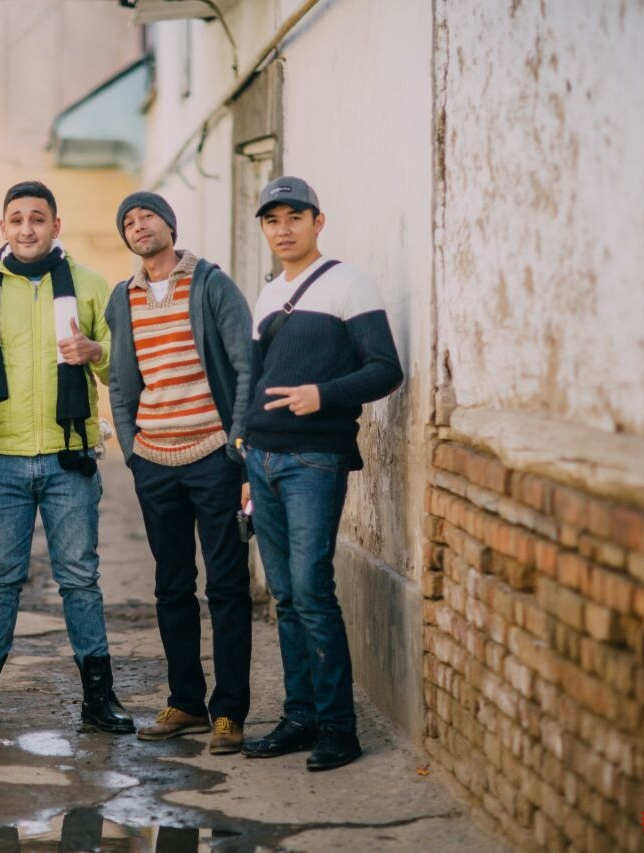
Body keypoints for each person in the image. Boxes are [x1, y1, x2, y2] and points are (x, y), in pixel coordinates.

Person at [0, 181, 133, 733]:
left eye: (38, 218)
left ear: (56, 225)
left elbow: (122, 365)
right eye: (17, 219)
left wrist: (96, 351)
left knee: (79, 578)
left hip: (70, 458)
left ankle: (99, 697)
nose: (27, 228)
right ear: (3, 227)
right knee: (0, 577)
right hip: (0, 457)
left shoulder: (89, 285)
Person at [240, 176, 403, 770]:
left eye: (294, 217)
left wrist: (322, 394)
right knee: (285, 595)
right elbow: (255, 381)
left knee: (311, 589)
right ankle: (300, 716)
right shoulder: (267, 294)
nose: (283, 230)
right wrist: (245, 459)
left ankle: (339, 728)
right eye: (272, 220)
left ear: (317, 221)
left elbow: (386, 368)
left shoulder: (349, 283)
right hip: (262, 459)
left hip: (315, 459)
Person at [105, 192, 254, 755]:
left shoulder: (211, 284)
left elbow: (245, 367)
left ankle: (229, 711)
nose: (138, 225)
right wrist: (133, 452)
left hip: (214, 456)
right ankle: (187, 702)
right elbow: (122, 383)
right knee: (172, 587)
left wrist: (236, 445)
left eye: (147, 216)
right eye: (128, 221)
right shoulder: (123, 298)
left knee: (227, 585)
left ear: (169, 225)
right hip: (156, 463)